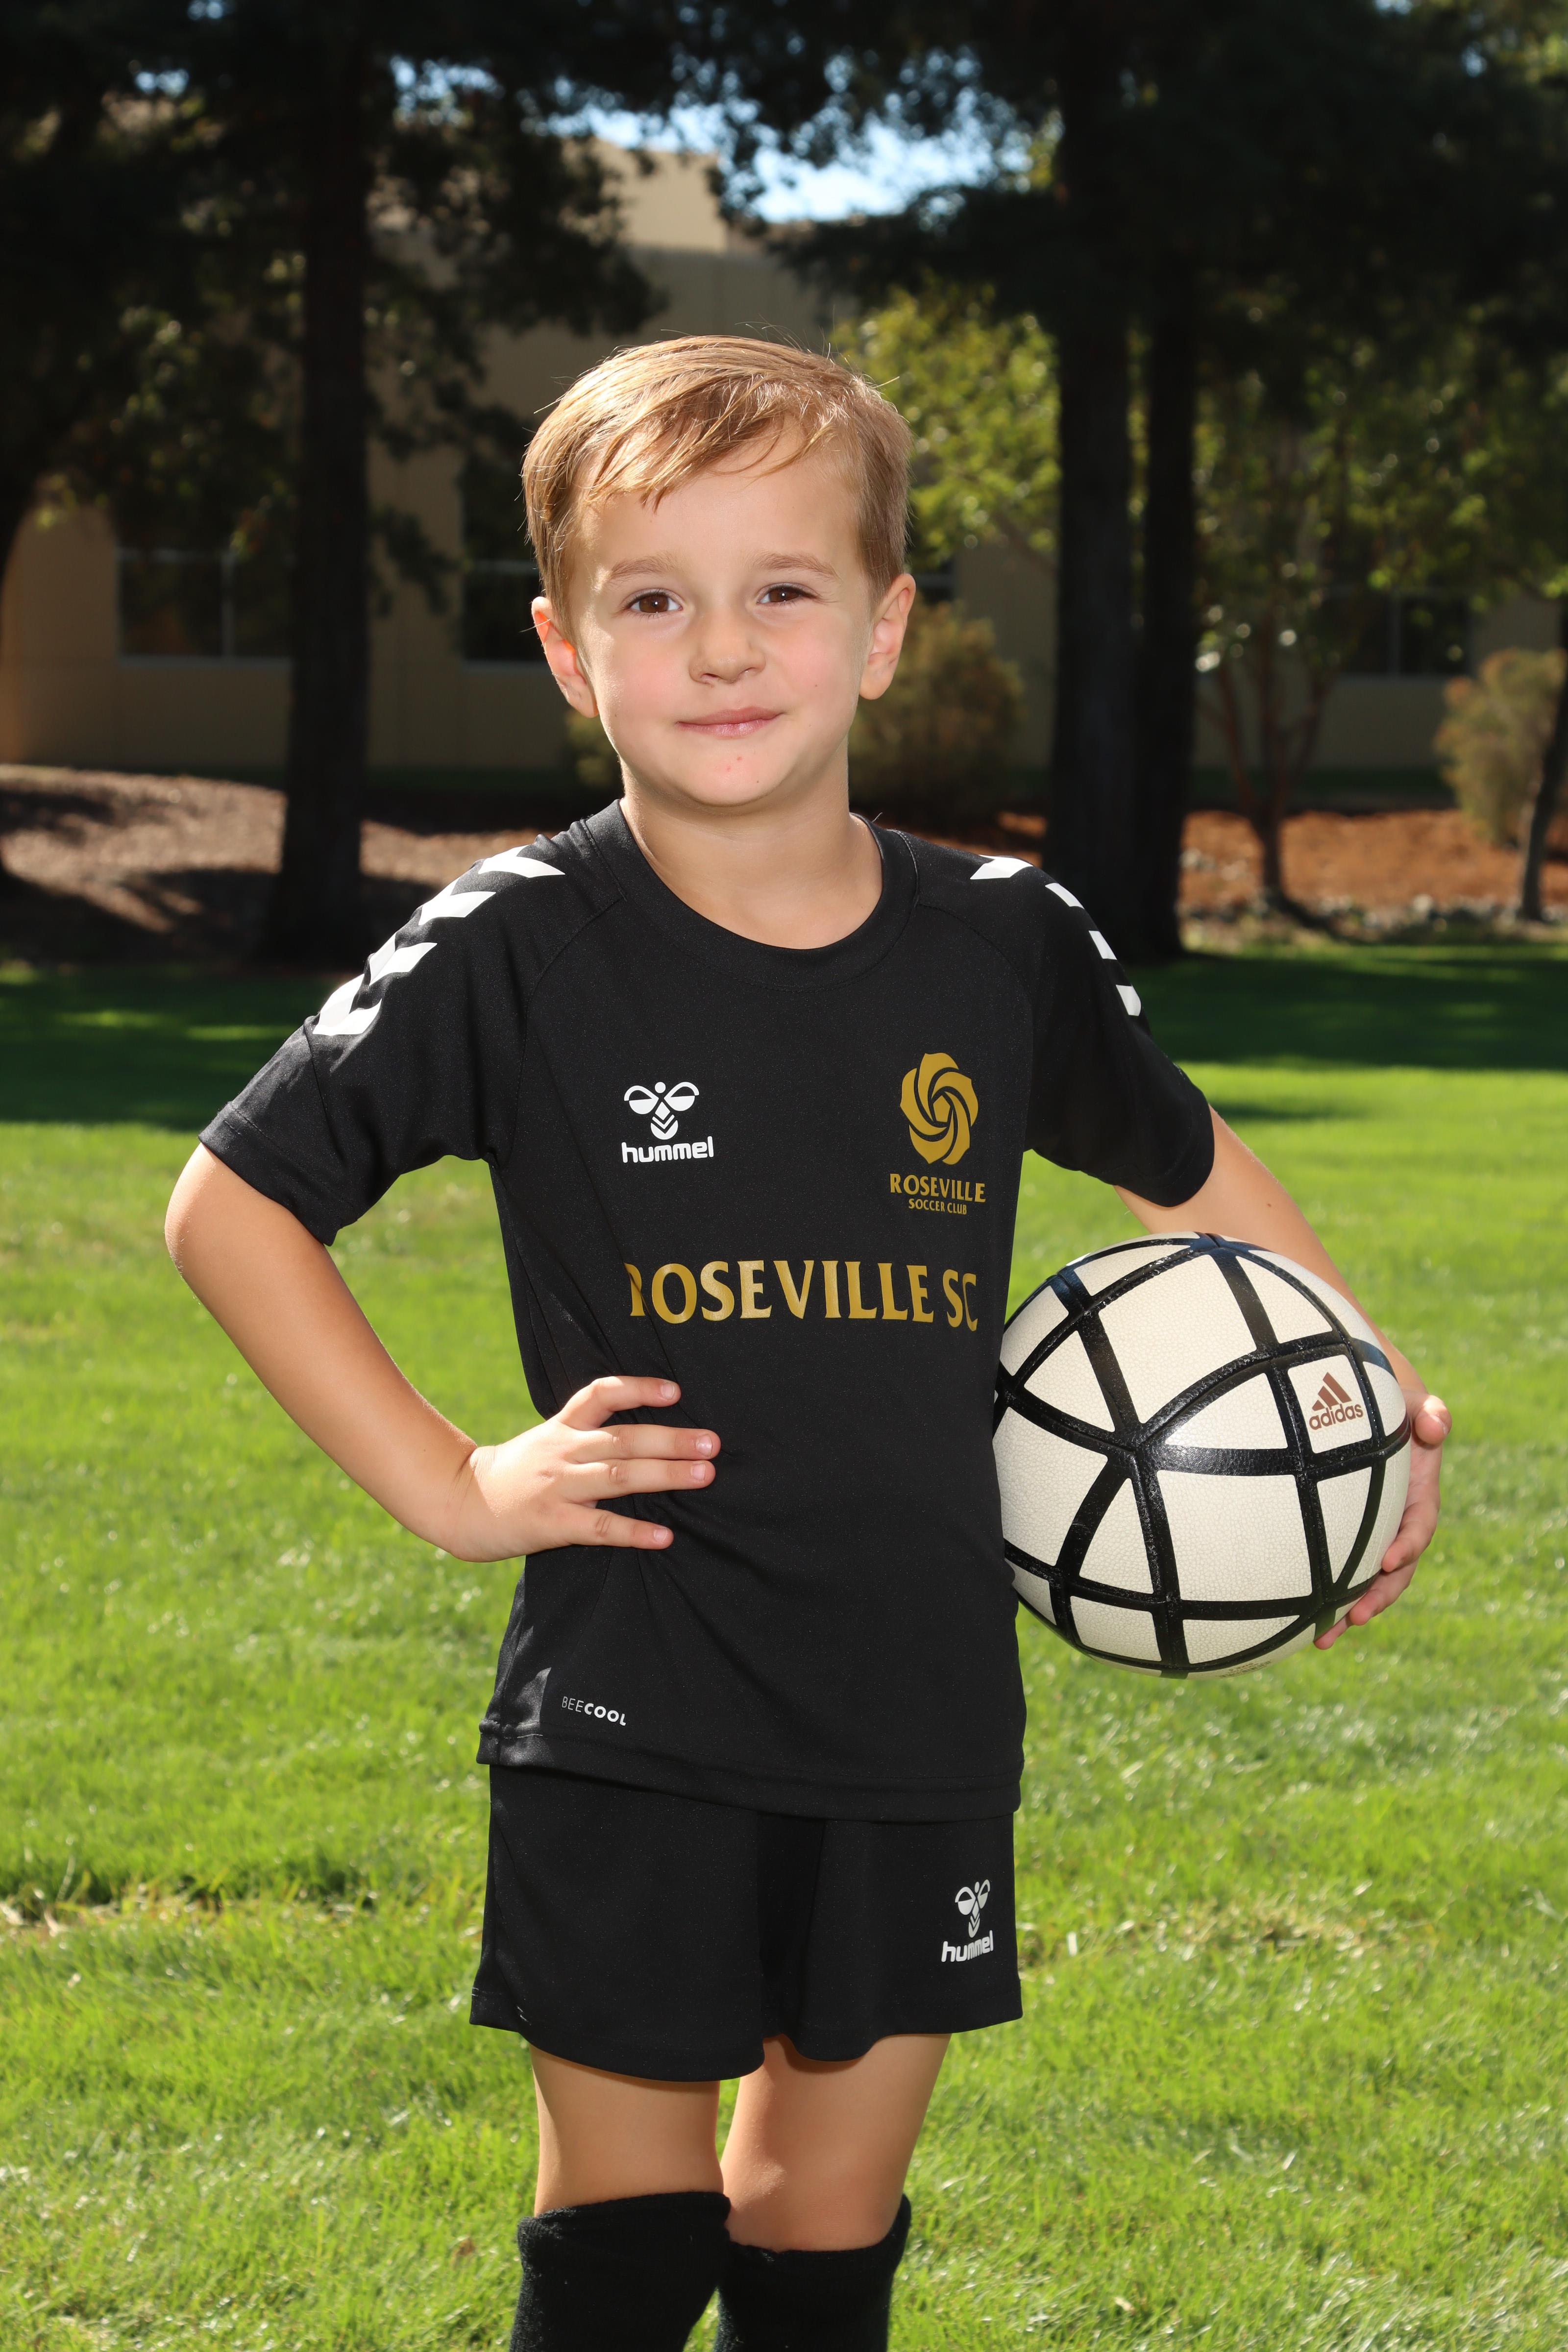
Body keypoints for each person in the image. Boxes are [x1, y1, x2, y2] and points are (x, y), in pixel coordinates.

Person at [164, 337, 1451, 2352]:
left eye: (782, 587)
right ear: (567, 653)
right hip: (632, 1701)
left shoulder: (1002, 942)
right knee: (631, 2226)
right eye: (650, 599)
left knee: (820, 2227)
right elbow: (232, 1206)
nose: (721, 647)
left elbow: (1195, 1182)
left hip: (913, 1712)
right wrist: (453, 1483)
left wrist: (1363, 1421)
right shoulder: (517, 943)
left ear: (884, 629)